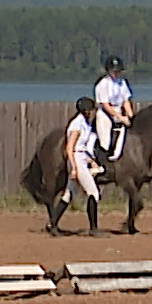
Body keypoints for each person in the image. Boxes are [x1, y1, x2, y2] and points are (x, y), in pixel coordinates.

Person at [51, 98, 103, 236]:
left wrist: (91, 161)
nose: (92, 113)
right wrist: (74, 168)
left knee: (69, 194)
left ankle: (52, 224)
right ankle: (93, 228)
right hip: (76, 160)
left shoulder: (84, 123)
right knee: (93, 193)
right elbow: (70, 148)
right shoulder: (77, 124)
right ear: (85, 111)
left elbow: (82, 148)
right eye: (91, 110)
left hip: (81, 158)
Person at [92, 55, 135, 172]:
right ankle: (99, 165)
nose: (117, 73)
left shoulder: (122, 83)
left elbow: (126, 100)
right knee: (105, 140)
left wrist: (130, 115)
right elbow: (105, 105)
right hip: (105, 113)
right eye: (114, 71)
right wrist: (120, 117)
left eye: (118, 71)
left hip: (118, 110)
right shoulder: (102, 84)